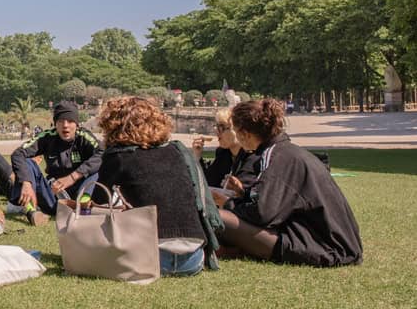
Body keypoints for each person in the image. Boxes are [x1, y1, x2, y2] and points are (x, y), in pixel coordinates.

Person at [216, 99, 362, 267]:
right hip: (335, 243)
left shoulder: (278, 157)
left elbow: (263, 214)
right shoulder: (284, 151)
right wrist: (244, 194)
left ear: (246, 134)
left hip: (329, 249)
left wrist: (229, 203)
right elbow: (276, 201)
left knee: (218, 217)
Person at [95, 96, 212, 276]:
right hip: (194, 258)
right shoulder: (177, 151)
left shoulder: (118, 156)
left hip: (152, 257)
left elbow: (99, 201)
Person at [9, 100, 102, 225]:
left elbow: (102, 154)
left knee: (96, 167)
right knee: (27, 162)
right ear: (55, 124)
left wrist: (72, 177)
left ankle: (83, 206)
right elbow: (18, 153)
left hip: (79, 192)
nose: (65, 125)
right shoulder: (47, 137)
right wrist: (26, 182)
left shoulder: (84, 137)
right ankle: (31, 211)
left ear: (77, 124)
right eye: (60, 121)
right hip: (53, 196)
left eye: (70, 121)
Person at [192, 108, 259, 190]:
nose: (216, 131)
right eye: (216, 127)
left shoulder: (253, 157)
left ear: (237, 130)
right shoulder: (223, 153)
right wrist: (197, 156)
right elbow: (208, 181)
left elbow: (240, 192)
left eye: (222, 127)